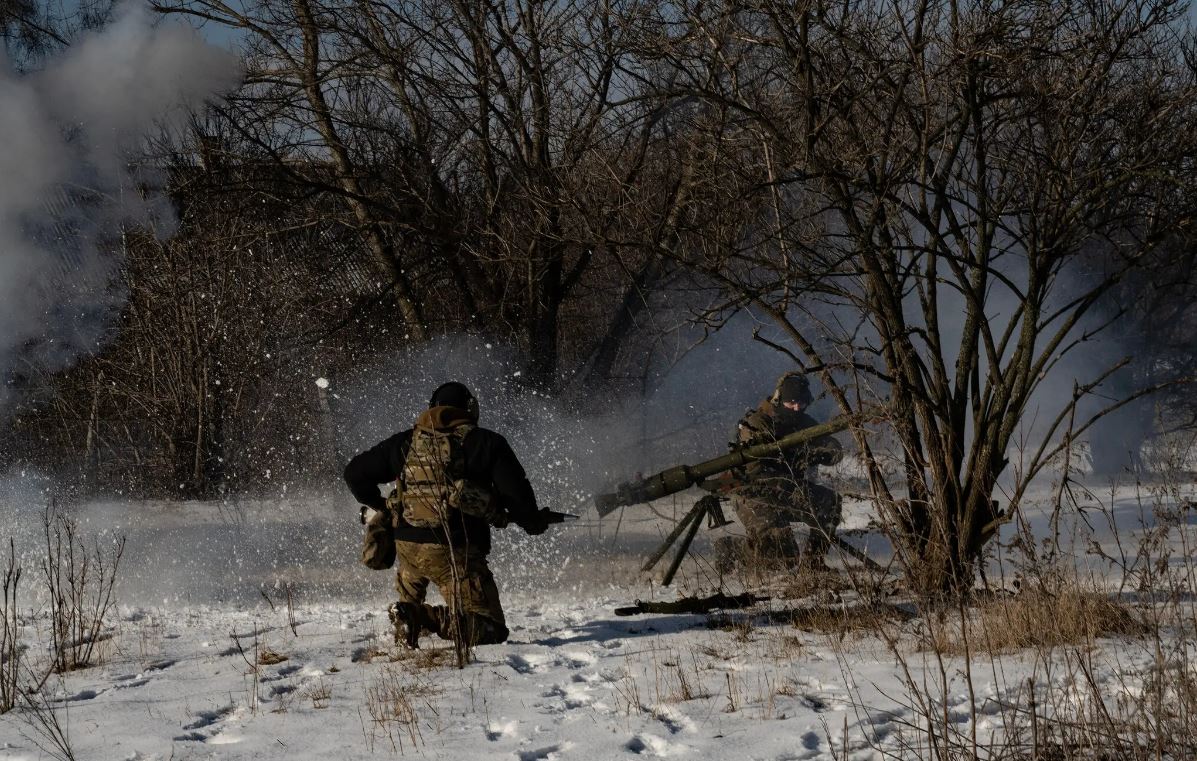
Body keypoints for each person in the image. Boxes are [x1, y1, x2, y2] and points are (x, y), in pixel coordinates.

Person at [344, 381, 551, 649]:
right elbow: (518, 499)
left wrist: (383, 506)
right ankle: (421, 617)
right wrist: (533, 521)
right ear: (470, 409)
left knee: (415, 566)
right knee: (490, 629)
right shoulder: (486, 442)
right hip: (454, 550)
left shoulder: (405, 442)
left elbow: (354, 474)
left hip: (408, 547)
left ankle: (406, 616)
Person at [718, 372, 844, 572]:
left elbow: (834, 449)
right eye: (791, 403)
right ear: (778, 399)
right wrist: (791, 457)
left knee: (830, 502)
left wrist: (816, 455)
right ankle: (732, 549)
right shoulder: (758, 422)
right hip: (755, 494)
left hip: (788, 490)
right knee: (781, 559)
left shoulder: (804, 422)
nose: (796, 408)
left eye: (801, 403)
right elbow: (756, 473)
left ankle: (814, 562)